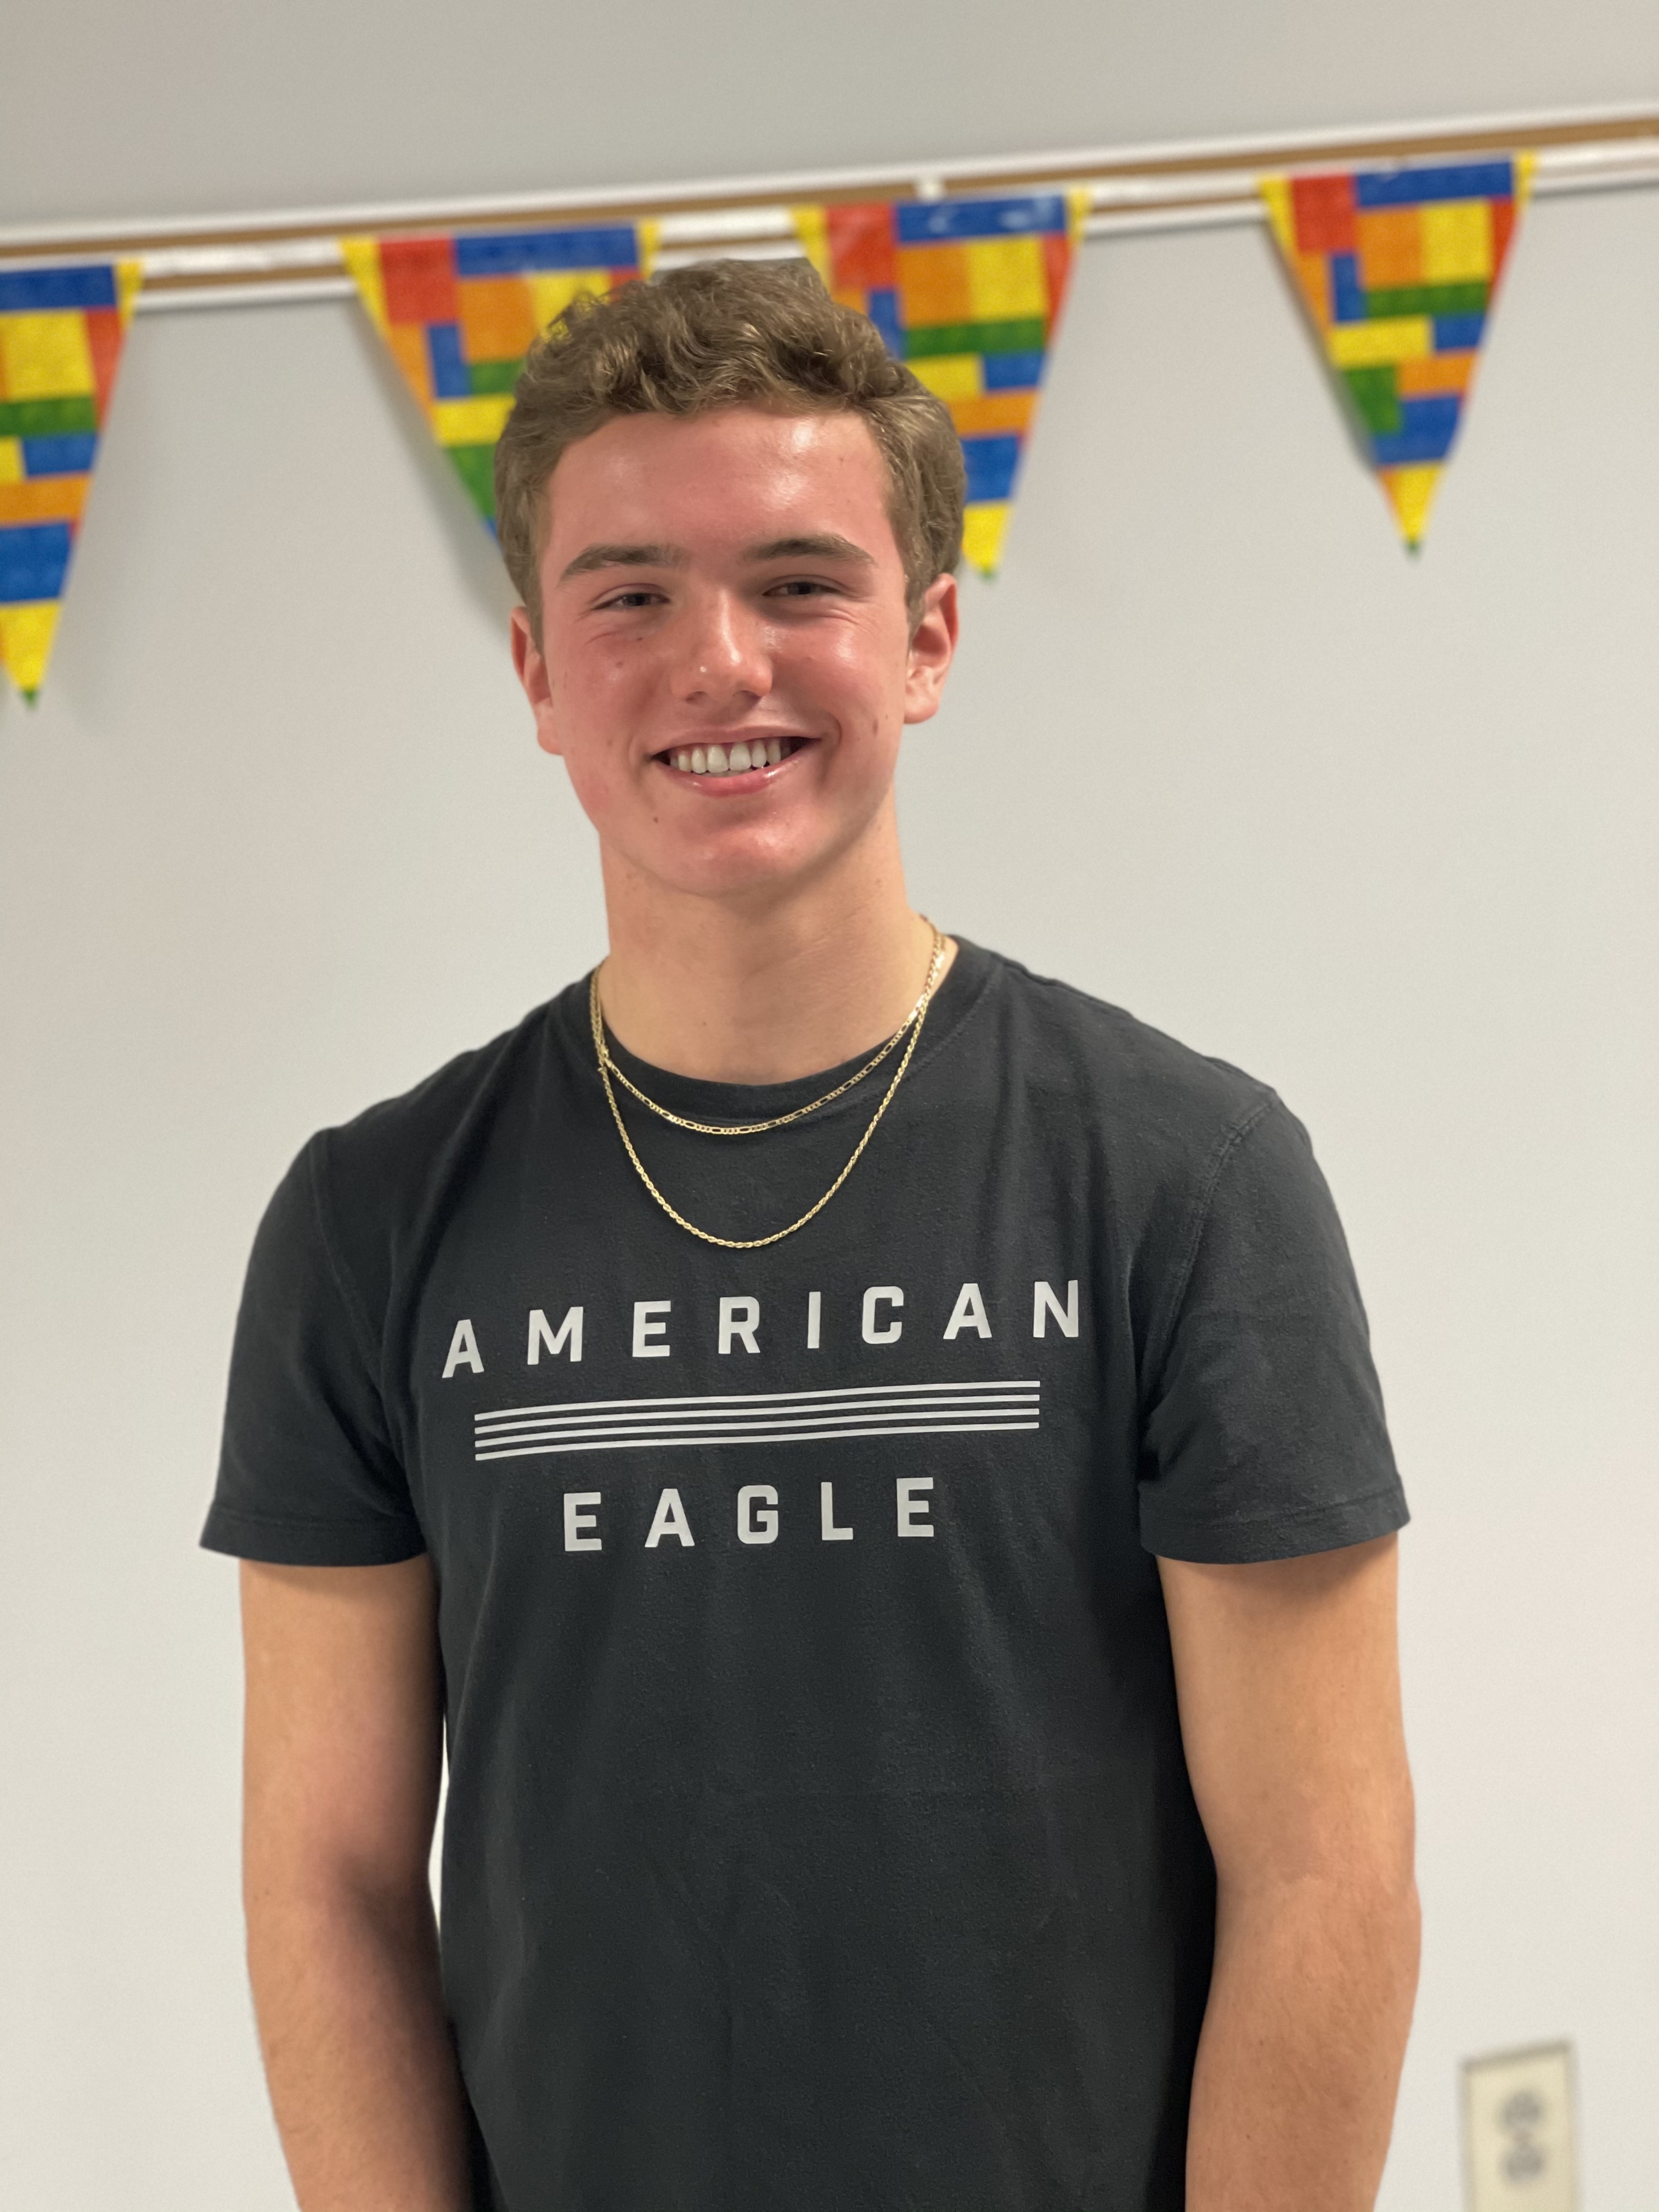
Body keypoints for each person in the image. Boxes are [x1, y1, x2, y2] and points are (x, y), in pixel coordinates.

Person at [204, 258, 1419, 2212]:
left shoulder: (1188, 1178)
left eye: (798, 584)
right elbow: (326, 1878)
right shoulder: (371, 1220)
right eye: (630, 596)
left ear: (926, 638)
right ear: (536, 670)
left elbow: (1324, 1869)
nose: (720, 663)